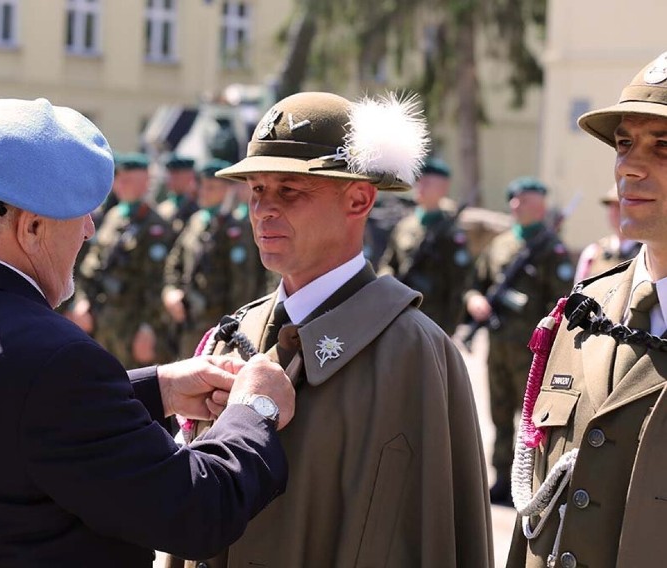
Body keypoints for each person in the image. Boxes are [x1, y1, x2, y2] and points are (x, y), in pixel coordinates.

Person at [0, 97, 296, 567]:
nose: (89, 230)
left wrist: (157, 389)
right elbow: (199, 512)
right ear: (32, 227)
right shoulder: (54, 364)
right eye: (80, 213)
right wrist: (252, 409)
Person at [168, 92, 492, 567]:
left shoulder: (414, 351)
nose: (263, 210)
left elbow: (437, 532)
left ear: (358, 198)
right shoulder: (235, 334)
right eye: (257, 190)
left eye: (289, 191)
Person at [506, 50, 667, 568]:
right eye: (624, 144)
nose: (629, 166)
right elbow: (536, 508)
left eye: (663, 147)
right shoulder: (581, 313)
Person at [463, 176, 575, 506]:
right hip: (497, 344)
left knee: (531, 417)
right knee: (499, 413)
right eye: (512, 200)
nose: (515, 205)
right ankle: (501, 476)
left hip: (533, 351)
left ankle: (527, 478)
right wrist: (474, 302)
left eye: (523, 199)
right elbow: (474, 285)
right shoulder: (499, 245)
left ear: (540, 205)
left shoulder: (552, 250)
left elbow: (562, 302)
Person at [75, 152, 176, 367]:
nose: (120, 185)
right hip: (103, 322)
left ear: (146, 182)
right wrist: (82, 300)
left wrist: (149, 328)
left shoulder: (156, 226)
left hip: (134, 327)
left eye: (128, 180)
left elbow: (158, 282)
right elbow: (92, 266)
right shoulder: (114, 217)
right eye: (118, 179)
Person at [162, 159, 262, 357]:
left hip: (220, 326)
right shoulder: (197, 221)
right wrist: (171, 291)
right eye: (203, 186)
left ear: (227, 190)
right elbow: (175, 261)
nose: (204, 192)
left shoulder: (237, 228)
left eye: (212, 187)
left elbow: (243, 284)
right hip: (189, 322)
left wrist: (235, 326)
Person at [378, 157, 472, 335]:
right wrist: (388, 282)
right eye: (419, 181)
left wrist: (449, 329)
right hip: (398, 312)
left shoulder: (451, 233)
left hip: (433, 320)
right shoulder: (405, 226)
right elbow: (388, 263)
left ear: (444, 188)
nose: (419, 186)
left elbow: (459, 285)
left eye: (427, 182)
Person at [573, 183, 642, 282]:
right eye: (611, 207)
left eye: (619, 206)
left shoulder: (648, 253)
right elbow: (579, 291)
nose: (614, 212)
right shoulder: (593, 253)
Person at [156, 153, 200, 235]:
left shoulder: (199, 204)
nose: (170, 179)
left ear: (191, 177)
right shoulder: (163, 207)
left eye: (177, 176)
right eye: (170, 174)